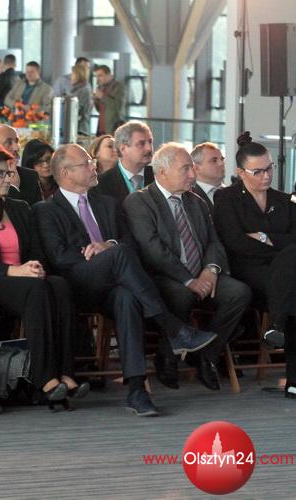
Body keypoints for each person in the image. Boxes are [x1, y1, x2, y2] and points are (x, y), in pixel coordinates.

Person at [33, 144, 217, 417]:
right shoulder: (46, 209)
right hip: (76, 283)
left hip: (116, 285)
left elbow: (130, 244)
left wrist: (108, 245)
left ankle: (136, 391)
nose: (94, 166)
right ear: (65, 173)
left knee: (127, 297)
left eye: (92, 161)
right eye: (86, 163)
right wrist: (101, 254)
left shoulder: (106, 203)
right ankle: (172, 327)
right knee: (118, 255)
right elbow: (58, 256)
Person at [0, 144, 89, 404]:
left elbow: (35, 250)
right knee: (38, 289)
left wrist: (35, 267)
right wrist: (14, 270)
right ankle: (45, 379)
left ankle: (66, 374)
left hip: (24, 277)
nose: (8, 178)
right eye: (0, 173)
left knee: (59, 285)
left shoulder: (19, 208)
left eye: (9, 172)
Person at [123, 143, 252, 391]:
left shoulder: (196, 202)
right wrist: (189, 280)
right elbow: (152, 250)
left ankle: (206, 354)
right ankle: (167, 355)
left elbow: (213, 241)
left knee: (239, 293)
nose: (192, 175)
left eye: (192, 168)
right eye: (185, 169)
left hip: (202, 272)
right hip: (163, 276)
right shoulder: (140, 201)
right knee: (181, 294)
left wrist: (210, 270)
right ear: (162, 172)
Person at [213, 136, 296, 399]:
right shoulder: (226, 198)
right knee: (293, 277)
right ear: (241, 173)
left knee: (293, 268)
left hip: (285, 272)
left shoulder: (284, 199)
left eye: (269, 168)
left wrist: (263, 236)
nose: (266, 175)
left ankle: (278, 325)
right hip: (247, 271)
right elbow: (235, 242)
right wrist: (278, 244)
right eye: (257, 171)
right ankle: (294, 380)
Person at [93, 120, 154, 205]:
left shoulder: (160, 177)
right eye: (141, 143)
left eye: (150, 142)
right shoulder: (102, 183)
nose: (149, 148)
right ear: (123, 149)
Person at [0, 124, 43, 206]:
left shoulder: (30, 176)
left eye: (17, 141)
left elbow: (36, 212)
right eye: (9, 142)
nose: (17, 148)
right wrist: (12, 188)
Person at [191, 142, 226, 213]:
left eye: (222, 159)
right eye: (214, 160)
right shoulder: (189, 195)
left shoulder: (231, 192)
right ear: (196, 168)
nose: (221, 163)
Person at [93, 65, 126, 135]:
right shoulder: (100, 87)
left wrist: (102, 96)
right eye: (96, 76)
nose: (98, 79)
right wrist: (95, 100)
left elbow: (118, 106)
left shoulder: (118, 87)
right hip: (101, 128)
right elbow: (100, 109)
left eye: (100, 76)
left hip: (113, 128)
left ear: (109, 75)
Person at [0, 54, 20, 121]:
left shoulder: (2, 77)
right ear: (15, 64)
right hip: (12, 111)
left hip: (0, 112)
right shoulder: (18, 78)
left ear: (4, 64)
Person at [67, 64, 93, 136]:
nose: (71, 76)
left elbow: (77, 109)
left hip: (80, 129)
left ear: (78, 75)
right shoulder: (78, 89)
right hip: (75, 127)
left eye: (73, 74)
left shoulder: (84, 89)